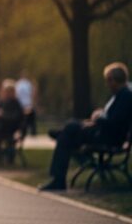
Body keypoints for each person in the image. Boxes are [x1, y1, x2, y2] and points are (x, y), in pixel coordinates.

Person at [39, 62, 132, 191]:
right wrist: (97, 119)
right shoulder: (121, 95)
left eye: (108, 81)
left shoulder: (126, 96)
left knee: (70, 129)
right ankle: (59, 175)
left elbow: (115, 123)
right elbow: (112, 119)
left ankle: (58, 179)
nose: (107, 85)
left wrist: (98, 118)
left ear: (113, 80)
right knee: (68, 133)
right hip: (102, 132)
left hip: (108, 137)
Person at [16, 70, 37, 136]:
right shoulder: (19, 84)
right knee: (25, 119)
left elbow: (32, 94)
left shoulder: (26, 84)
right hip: (23, 104)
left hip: (27, 104)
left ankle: (32, 132)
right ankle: (26, 132)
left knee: (29, 119)